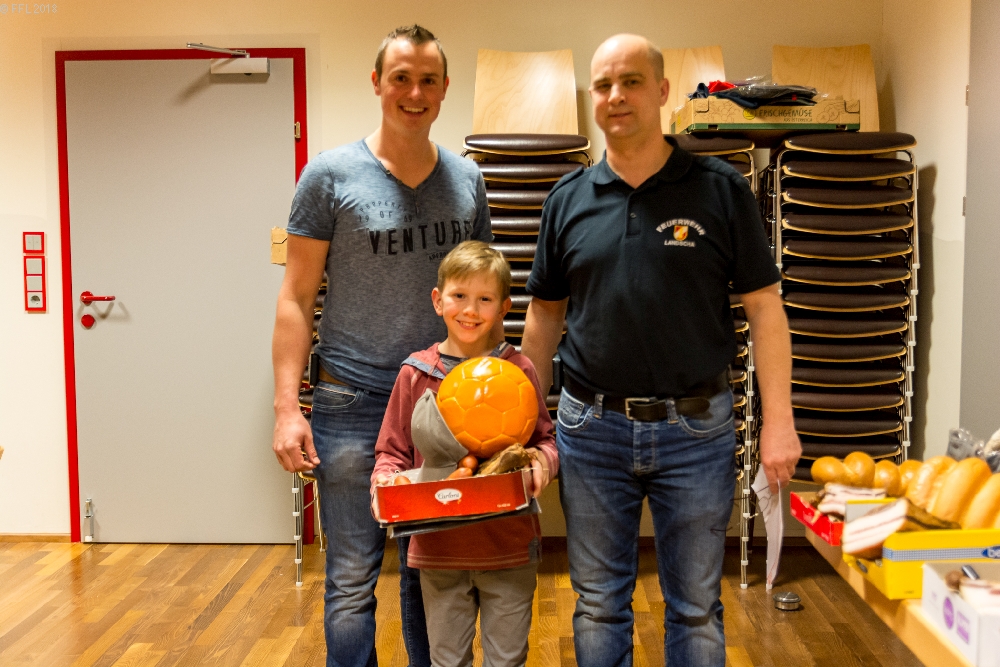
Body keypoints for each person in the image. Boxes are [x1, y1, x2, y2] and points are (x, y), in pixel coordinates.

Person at [520, 34, 802, 667]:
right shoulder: (567, 199)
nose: (616, 96)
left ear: (663, 90)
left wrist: (779, 421)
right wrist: (524, 423)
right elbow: (544, 317)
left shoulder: (720, 190)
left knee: (696, 606)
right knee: (598, 605)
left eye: (631, 81)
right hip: (591, 430)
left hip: (696, 432)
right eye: (603, 85)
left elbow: (765, 310)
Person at [270, 25, 491, 667]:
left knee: (433, 578)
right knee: (349, 582)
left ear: (444, 89)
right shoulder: (329, 175)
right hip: (351, 404)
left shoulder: (467, 179)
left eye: (427, 80)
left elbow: (480, 297)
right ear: (377, 83)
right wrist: (287, 408)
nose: (414, 93)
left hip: (442, 405)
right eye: (401, 78)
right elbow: (295, 297)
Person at [373, 241, 558, 667]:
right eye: (459, 296)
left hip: (509, 548)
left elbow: (545, 441)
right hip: (438, 552)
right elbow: (391, 452)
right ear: (438, 301)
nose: (470, 310)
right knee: (446, 660)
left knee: (507, 659)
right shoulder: (416, 374)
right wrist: (384, 482)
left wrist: (540, 465)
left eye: (485, 299)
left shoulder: (518, 370)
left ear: (504, 307)